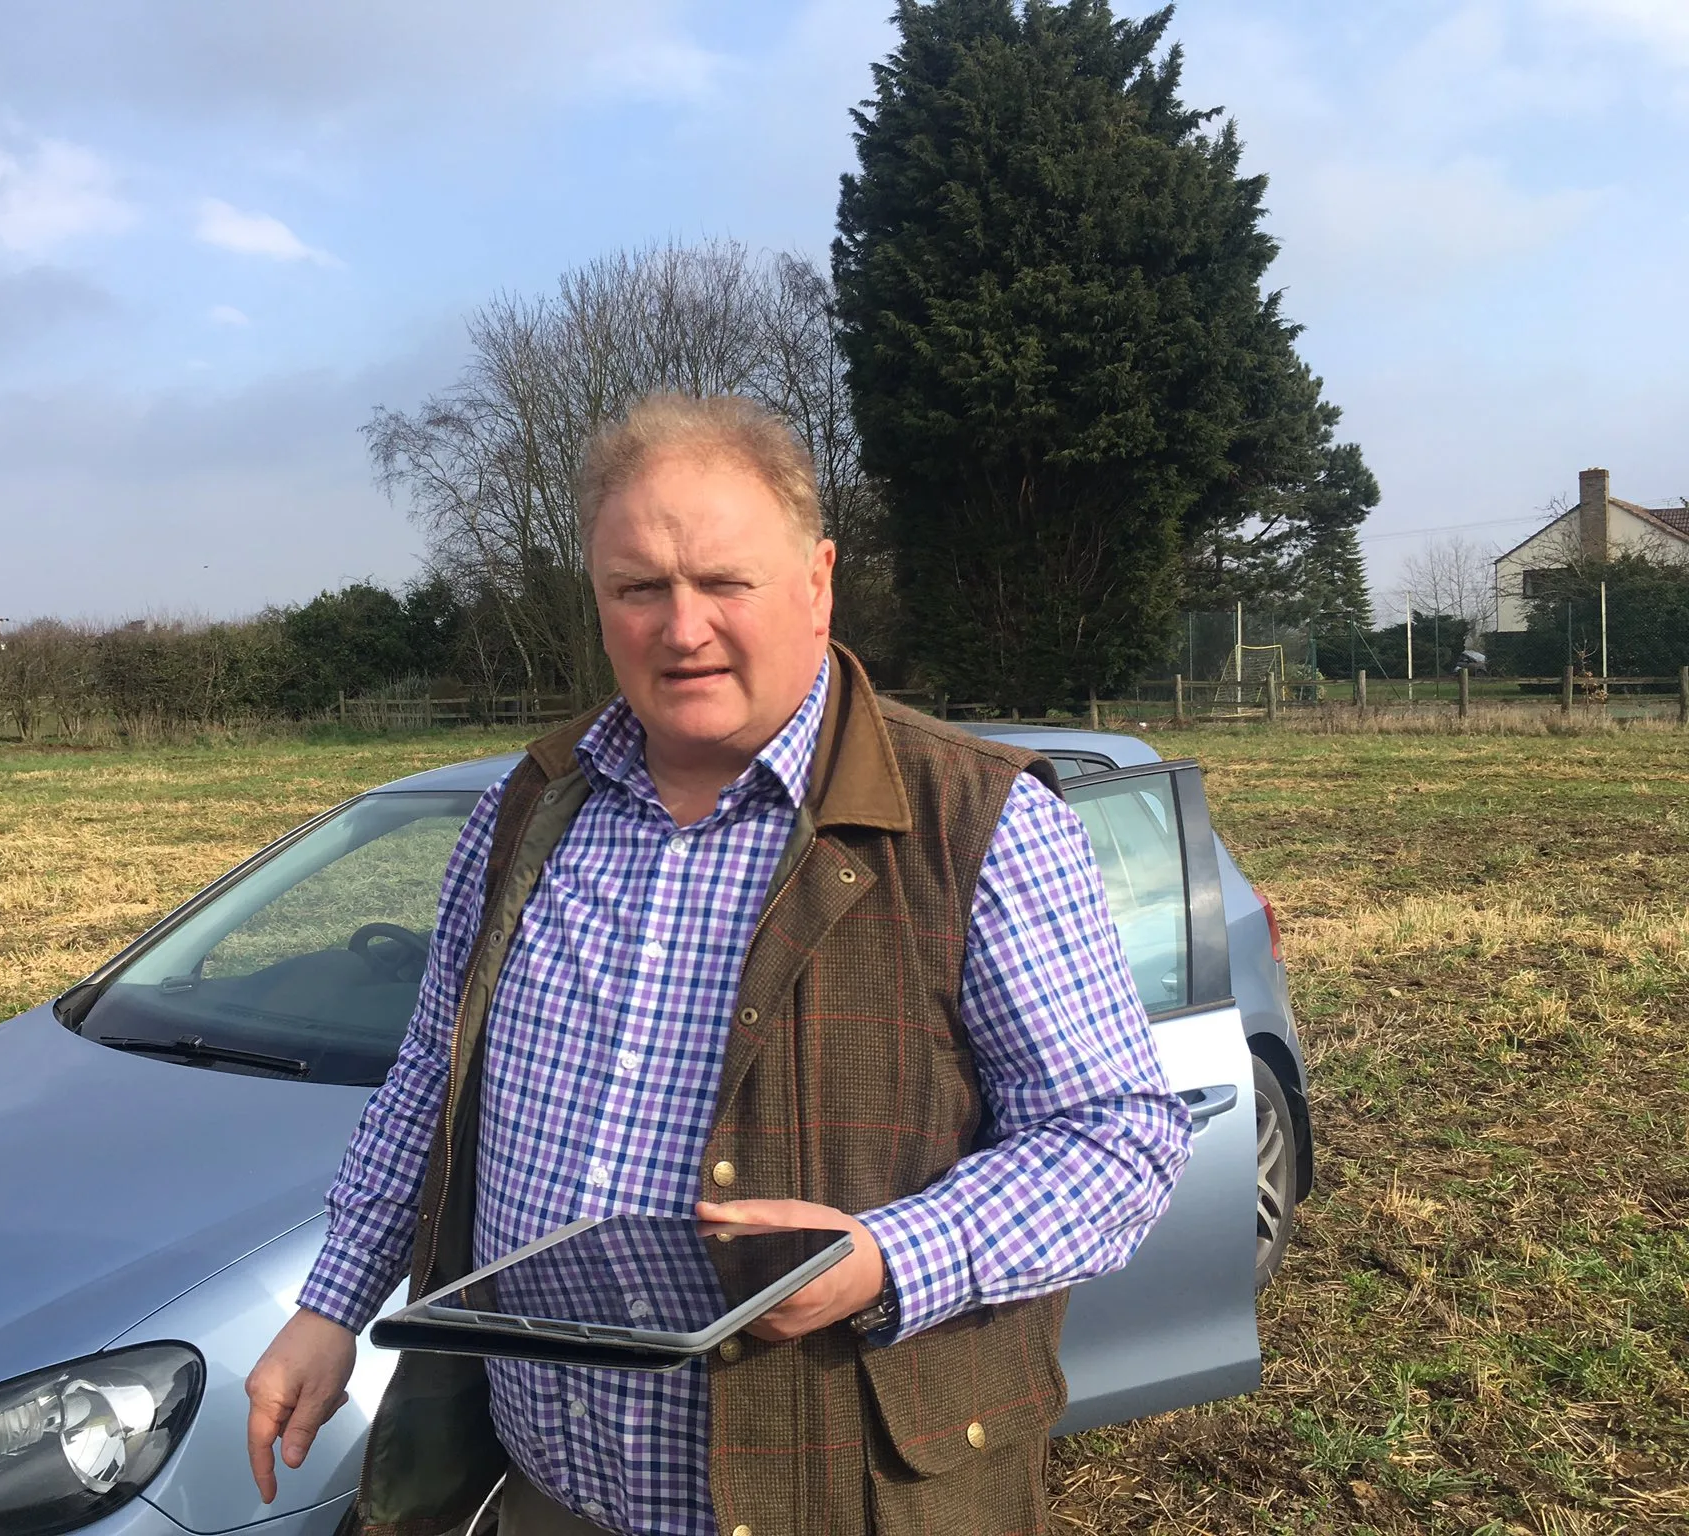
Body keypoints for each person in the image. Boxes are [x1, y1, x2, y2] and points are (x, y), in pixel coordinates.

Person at [245, 393, 1192, 1536]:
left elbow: (1117, 1140)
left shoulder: (975, 821)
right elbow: (428, 1091)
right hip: (547, 1494)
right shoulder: (532, 808)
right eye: (636, 587)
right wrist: (330, 1305)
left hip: (836, 1500)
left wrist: (885, 1256)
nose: (679, 627)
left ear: (816, 579)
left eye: (723, 583)